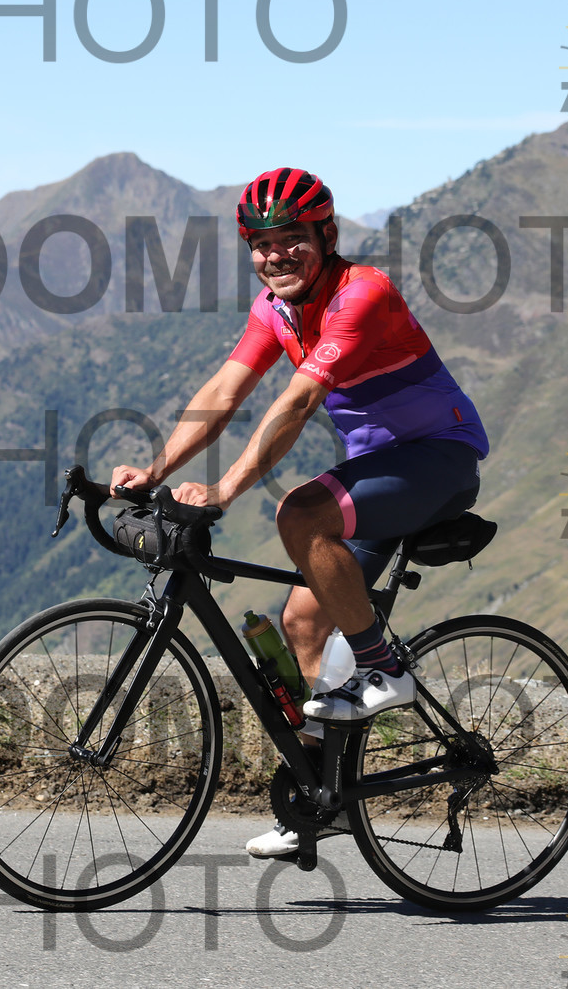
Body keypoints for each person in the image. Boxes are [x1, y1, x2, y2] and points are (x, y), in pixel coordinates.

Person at [111, 167, 488, 857]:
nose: (275, 254)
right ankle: (327, 795)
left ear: (328, 236)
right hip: (379, 468)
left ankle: (383, 670)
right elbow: (225, 392)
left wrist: (224, 490)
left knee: (300, 514)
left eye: (292, 239)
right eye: (261, 243)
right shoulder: (275, 309)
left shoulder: (361, 293)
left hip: (438, 457)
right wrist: (156, 470)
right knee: (304, 619)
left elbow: (299, 400)